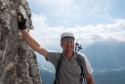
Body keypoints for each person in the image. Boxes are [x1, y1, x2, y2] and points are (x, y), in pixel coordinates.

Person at [17, 12, 94, 84]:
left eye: (71, 42)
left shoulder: (81, 59)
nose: (69, 44)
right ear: (61, 45)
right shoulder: (57, 57)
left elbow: (89, 79)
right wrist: (22, 28)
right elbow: (38, 47)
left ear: (74, 44)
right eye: (66, 42)